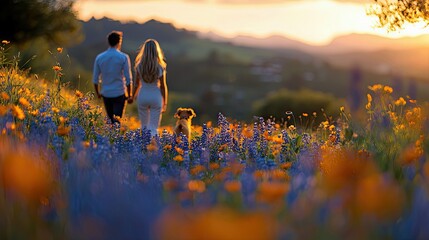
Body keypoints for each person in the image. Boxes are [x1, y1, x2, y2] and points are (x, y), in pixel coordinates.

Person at [92, 31, 132, 125]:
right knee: (117, 121)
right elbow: (128, 79)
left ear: (108, 42)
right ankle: (115, 139)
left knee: (110, 121)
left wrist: (98, 93)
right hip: (119, 93)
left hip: (106, 93)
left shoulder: (100, 57)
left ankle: (110, 139)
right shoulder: (124, 57)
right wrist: (130, 95)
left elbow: (95, 79)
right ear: (119, 42)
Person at [130, 39, 168, 137]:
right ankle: (153, 147)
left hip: (142, 95)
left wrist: (132, 96)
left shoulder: (139, 66)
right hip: (156, 96)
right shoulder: (160, 67)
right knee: (153, 127)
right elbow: (163, 86)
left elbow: (136, 84)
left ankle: (142, 147)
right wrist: (165, 102)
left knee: (144, 126)